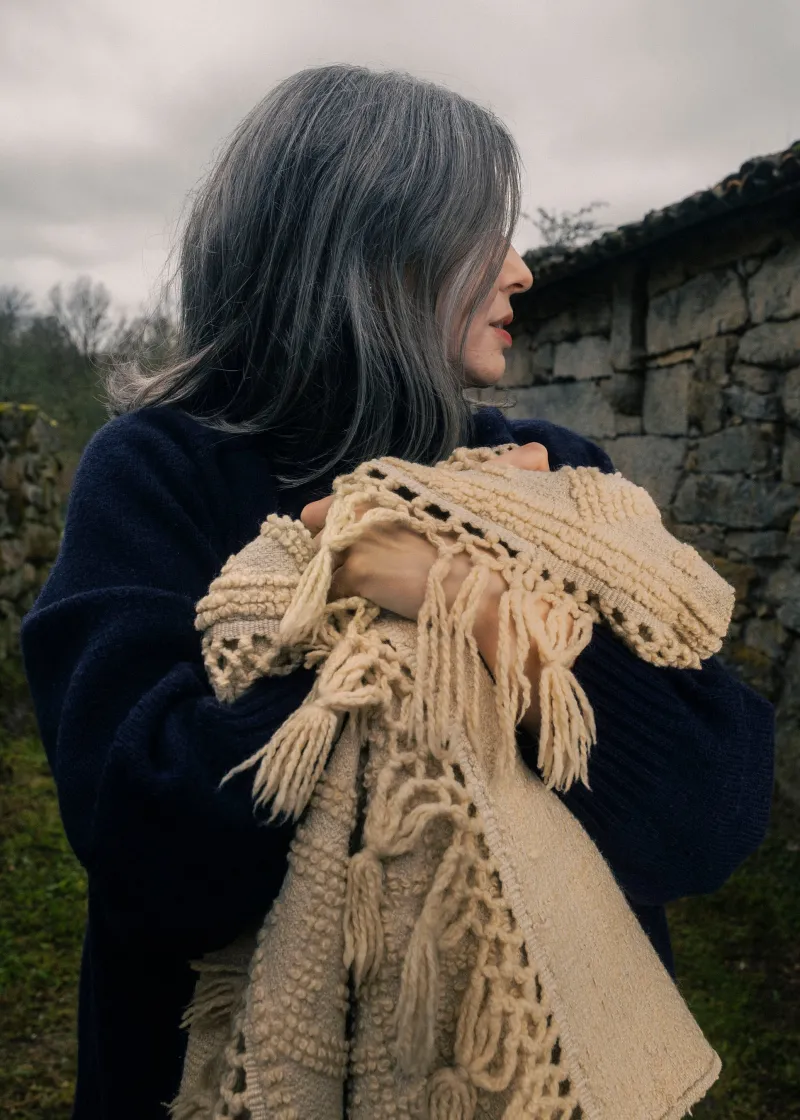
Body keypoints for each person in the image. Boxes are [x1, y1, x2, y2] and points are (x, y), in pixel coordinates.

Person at [19, 64, 775, 1120]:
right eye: (482, 234)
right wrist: (360, 616)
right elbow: (148, 838)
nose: (520, 271)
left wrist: (458, 591)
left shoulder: (552, 474)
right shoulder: (158, 471)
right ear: (366, 246)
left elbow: (707, 814)